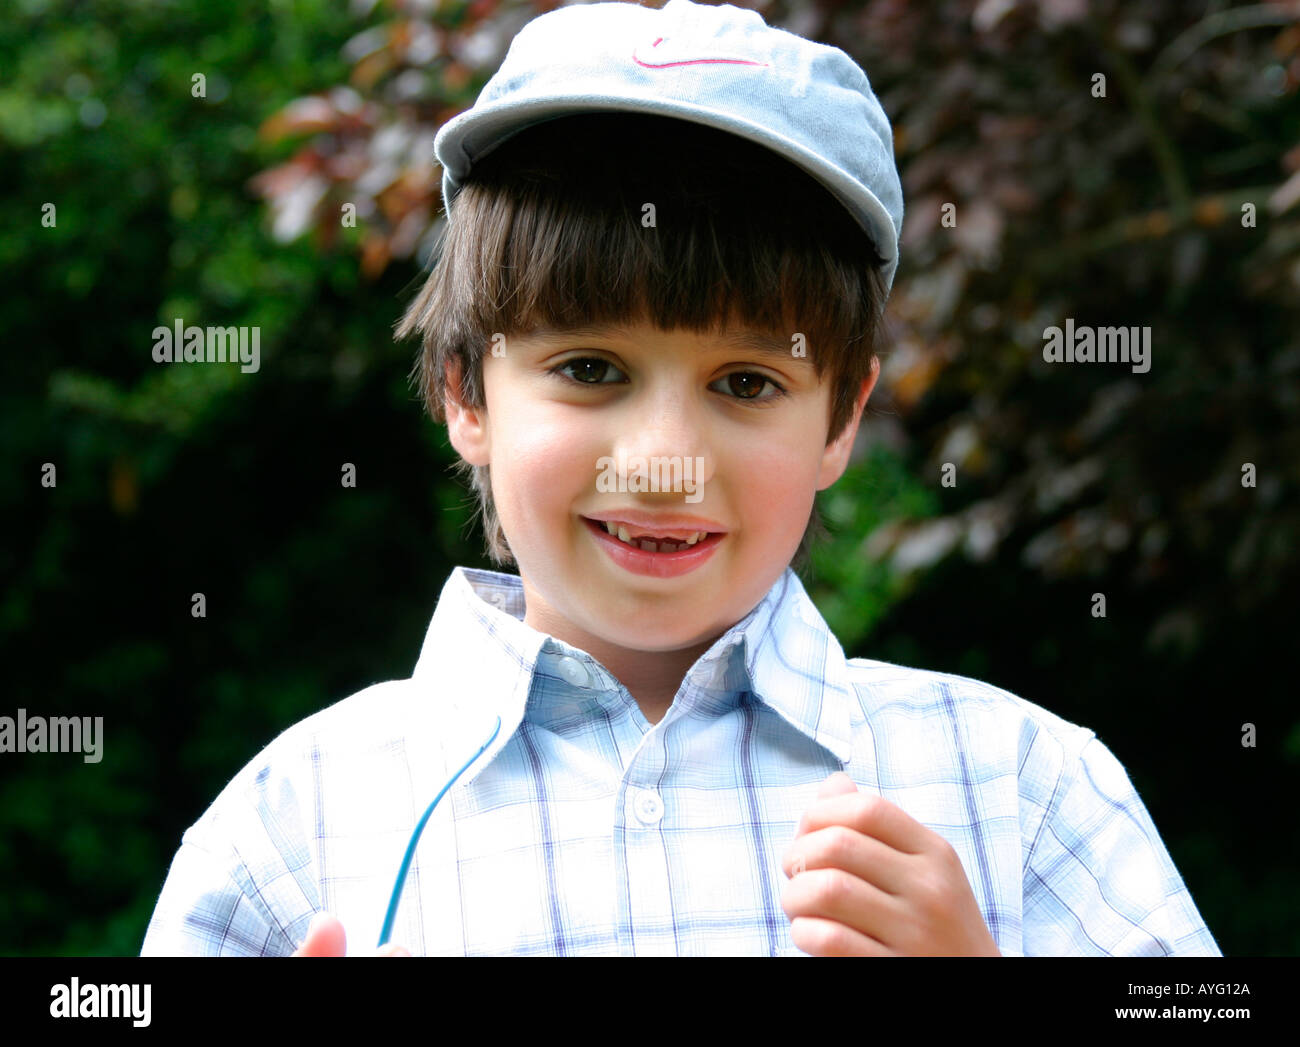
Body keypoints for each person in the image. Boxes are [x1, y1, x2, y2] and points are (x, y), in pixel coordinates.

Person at [140, 0, 1220, 957]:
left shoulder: (1023, 789)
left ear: (842, 416)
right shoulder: (292, 830)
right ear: (464, 393)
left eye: (746, 383)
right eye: (590, 369)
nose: (662, 461)